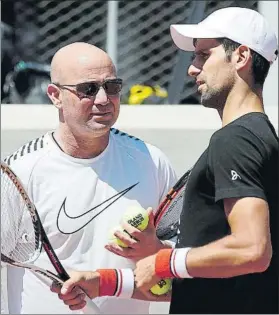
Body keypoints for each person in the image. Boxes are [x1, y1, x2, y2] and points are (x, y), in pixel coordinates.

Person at [51, 7, 278, 314]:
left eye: (203, 55)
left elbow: (253, 249)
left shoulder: (235, 140)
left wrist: (162, 260)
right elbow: (209, 284)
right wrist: (104, 281)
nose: (192, 68)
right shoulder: (260, 137)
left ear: (240, 57)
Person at [1, 42, 177, 314]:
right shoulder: (22, 171)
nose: (104, 99)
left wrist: (157, 248)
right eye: (88, 89)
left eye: (113, 87)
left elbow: (180, 261)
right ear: (55, 95)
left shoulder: (151, 161)